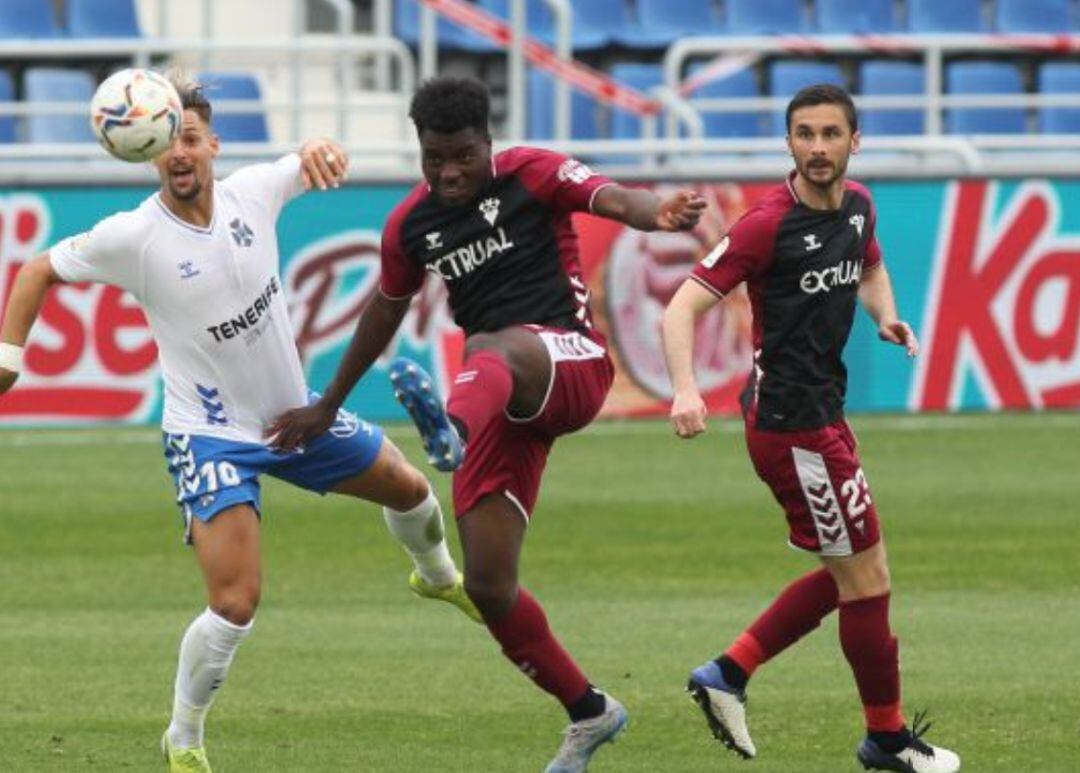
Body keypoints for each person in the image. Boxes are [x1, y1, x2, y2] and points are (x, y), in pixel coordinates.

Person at [0, 74, 480, 773]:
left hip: (294, 416)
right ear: (149, 152)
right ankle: (184, 735)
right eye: (168, 145)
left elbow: (311, 154)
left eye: (190, 139)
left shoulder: (256, 191)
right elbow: (38, 269)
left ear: (212, 143)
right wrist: (10, 355)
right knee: (234, 602)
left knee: (411, 490)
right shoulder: (131, 237)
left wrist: (323, 147)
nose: (179, 154)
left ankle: (436, 576)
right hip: (212, 435)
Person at [267, 75, 706, 772]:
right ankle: (589, 710)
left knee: (490, 345)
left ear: (488, 144)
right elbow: (383, 308)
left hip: (569, 362)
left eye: (462, 156)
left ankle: (450, 431)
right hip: (500, 398)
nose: (447, 172)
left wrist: (660, 214)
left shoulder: (533, 172)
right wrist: (327, 404)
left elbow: (614, 197)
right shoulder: (411, 224)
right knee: (489, 585)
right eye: (433, 157)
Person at [661, 84, 961, 773]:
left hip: (823, 415)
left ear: (856, 141)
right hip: (790, 426)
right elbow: (680, 308)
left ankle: (727, 673)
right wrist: (684, 389)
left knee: (850, 568)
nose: (818, 148)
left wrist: (883, 315)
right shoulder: (767, 224)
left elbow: (872, 265)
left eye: (831, 134)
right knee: (867, 579)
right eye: (804, 135)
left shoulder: (858, 208)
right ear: (788, 142)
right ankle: (884, 740)